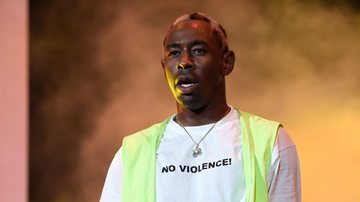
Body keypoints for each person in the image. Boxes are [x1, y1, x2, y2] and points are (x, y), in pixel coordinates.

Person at [100, 12, 301, 202]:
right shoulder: (132, 153)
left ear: (226, 62)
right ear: (164, 69)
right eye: (174, 53)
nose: (184, 63)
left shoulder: (271, 140)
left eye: (198, 51)